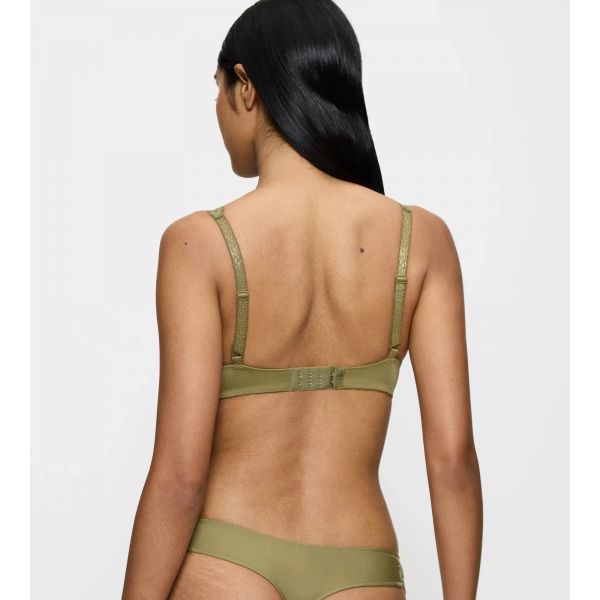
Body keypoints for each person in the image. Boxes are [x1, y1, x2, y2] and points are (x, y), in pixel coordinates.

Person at [121, 1, 483, 598]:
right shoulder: (422, 241)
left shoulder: (198, 244)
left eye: (217, 89)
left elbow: (180, 477)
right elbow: (453, 459)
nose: (216, 110)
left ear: (245, 87)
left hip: (227, 562)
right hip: (361, 569)